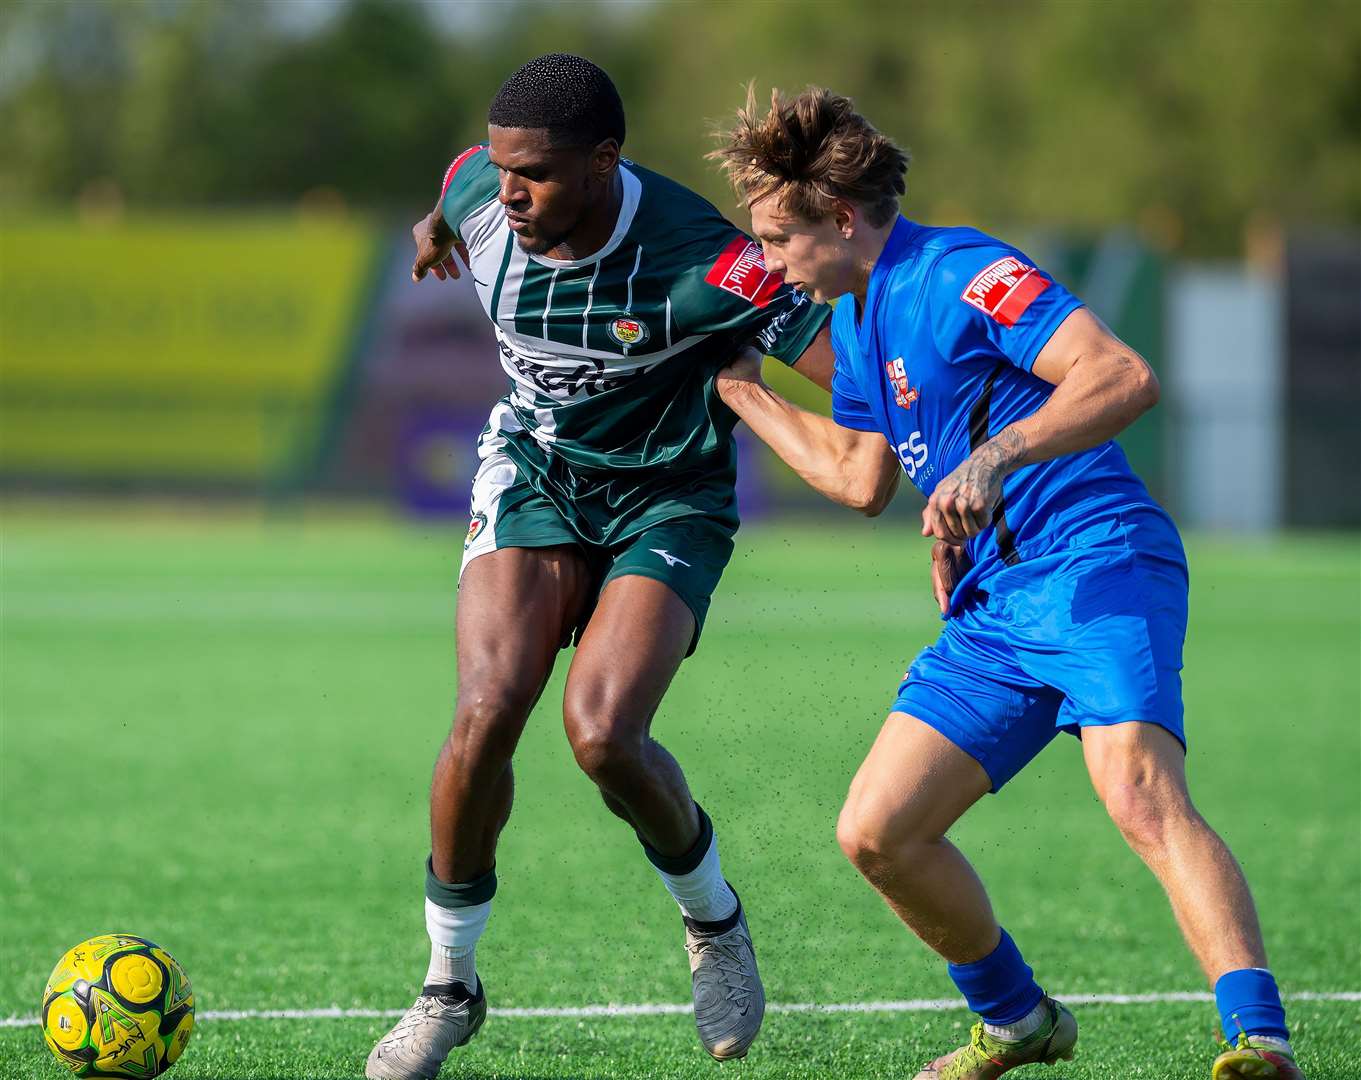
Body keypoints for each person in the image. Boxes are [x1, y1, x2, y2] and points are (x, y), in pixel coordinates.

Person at [708, 86, 1305, 1080]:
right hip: (994, 606)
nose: (768, 262)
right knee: (876, 832)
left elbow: (1119, 375)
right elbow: (860, 481)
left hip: (1093, 559)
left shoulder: (961, 271)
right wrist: (739, 390)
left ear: (840, 219)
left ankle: (1259, 1039)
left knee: (1138, 792)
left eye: (776, 239)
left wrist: (995, 461)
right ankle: (1019, 1021)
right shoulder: (850, 319)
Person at [364, 56, 836, 1080]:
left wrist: (952, 467)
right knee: (486, 712)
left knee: (603, 735)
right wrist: (433, 229)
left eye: (533, 173)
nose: (510, 192)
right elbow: (453, 189)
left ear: (603, 161)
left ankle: (713, 924)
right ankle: (449, 985)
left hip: (669, 494)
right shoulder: (482, 191)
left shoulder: (707, 263)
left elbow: (848, 364)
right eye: (501, 171)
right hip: (536, 470)